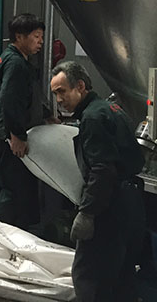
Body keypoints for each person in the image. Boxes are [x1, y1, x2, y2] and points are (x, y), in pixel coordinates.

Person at [50, 61, 145, 302]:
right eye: (55, 94)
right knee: (121, 278)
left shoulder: (92, 118)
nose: (59, 99)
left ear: (80, 86)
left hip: (108, 206)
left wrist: (87, 213)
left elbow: (102, 170)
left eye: (62, 91)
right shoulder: (112, 108)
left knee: (89, 277)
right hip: (130, 203)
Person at [0, 13, 47, 229]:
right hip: (11, 136)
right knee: (14, 189)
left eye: (41, 37)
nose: (41, 42)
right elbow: (9, 99)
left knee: (3, 184)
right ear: (20, 37)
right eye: (36, 36)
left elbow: (25, 96)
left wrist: (47, 114)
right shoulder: (16, 64)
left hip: (6, 131)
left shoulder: (12, 58)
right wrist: (17, 135)